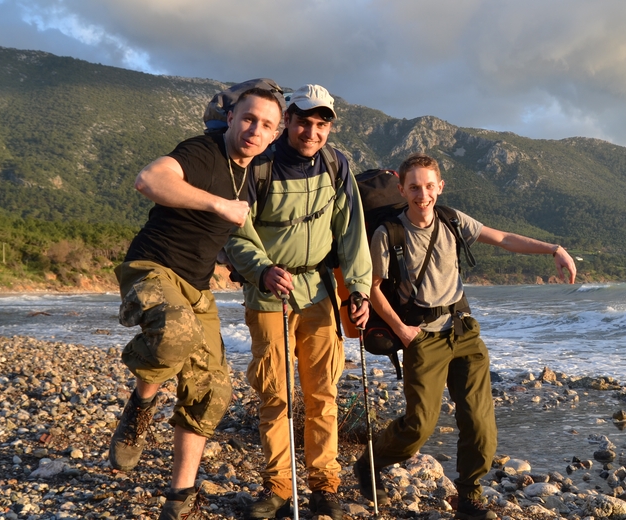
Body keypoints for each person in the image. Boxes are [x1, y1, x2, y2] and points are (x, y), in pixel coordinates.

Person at [353, 153, 577, 520]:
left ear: (439, 187)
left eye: (429, 186)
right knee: (419, 425)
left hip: (464, 331)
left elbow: (503, 238)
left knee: (480, 424)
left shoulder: (452, 220)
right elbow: (373, 287)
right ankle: (370, 461)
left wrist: (554, 249)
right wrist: (402, 330)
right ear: (402, 189)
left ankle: (470, 496)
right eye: (414, 187)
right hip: (421, 337)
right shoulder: (388, 233)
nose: (422, 194)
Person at [110, 80, 286, 520]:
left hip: (197, 285)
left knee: (213, 390)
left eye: (266, 125)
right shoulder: (202, 151)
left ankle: (180, 496)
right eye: (247, 118)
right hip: (152, 267)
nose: (254, 129)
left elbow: (222, 234)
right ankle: (141, 405)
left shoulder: (256, 172)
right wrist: (218, 206)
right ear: (231, 118)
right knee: (174, 332)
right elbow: (149, 179)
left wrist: (245, 261)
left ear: (274, 134)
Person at [225, 84, 372, 520]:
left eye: (321, 124)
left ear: (329, 128)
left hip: (320, 292)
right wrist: (262, 269)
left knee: (323, 392)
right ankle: (277, 487)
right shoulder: (259, 166)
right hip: (269, 293)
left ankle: (324, 485)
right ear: (287, 120)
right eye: (304, 121)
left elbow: (352, 232)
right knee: (275, 394)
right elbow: (236, 229)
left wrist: (359, 290)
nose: (312, 131)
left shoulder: (335, 164)